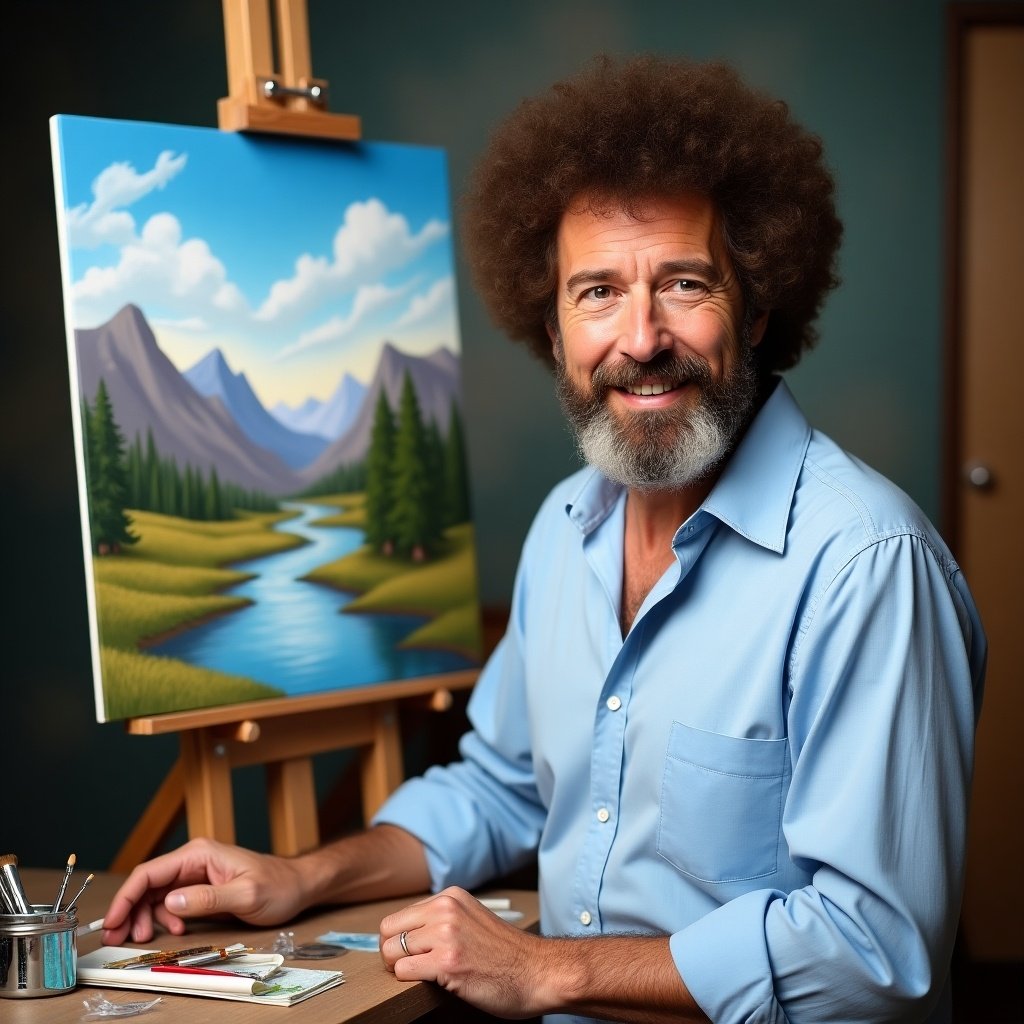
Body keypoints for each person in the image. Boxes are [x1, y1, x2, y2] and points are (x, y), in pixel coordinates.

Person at [102, 55, 986, 1023]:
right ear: (554, 328)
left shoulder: (866, 564)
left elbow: (873, 952)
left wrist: (549, 970)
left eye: (684, 283)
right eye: (597, 292)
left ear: (760, 306)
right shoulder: (567, 527)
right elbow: (502, 789)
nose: (641, 338)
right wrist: (300, 876)